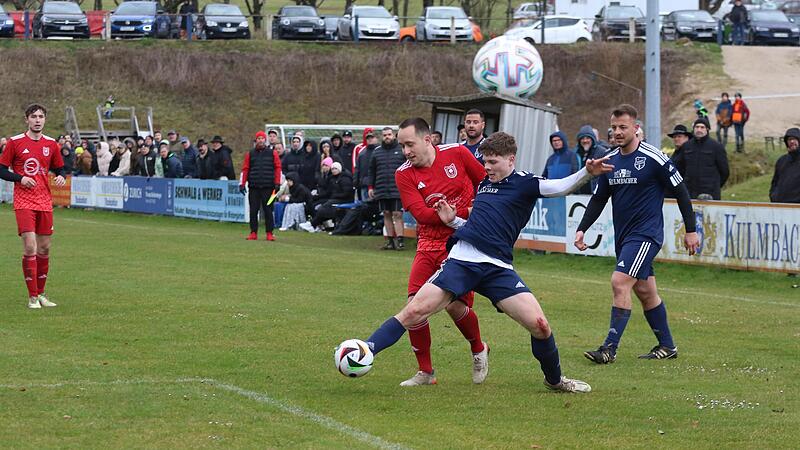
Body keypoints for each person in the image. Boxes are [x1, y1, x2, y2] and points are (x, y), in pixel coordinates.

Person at [362, 130, 613, 393]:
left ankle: (555, 381)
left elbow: (559, 186)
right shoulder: (484, 184)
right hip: (463, 260)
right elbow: (477, 224)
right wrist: (452, 221)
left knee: (540, 326)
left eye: (493, 162)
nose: (486, 167)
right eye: (484, 161)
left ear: (511, 160)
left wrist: (587, 173)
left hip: (498, 268)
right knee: (414, 310)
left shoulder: (526, 182)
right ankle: (365, 349)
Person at [575, 104, 699, 364]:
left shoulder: (654, 158)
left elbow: (681, 191)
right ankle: (667, 346)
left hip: (646, 235)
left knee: (619, 282)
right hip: (624, 237)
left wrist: (691, 230)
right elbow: (598, 199)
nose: (618, 132)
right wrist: (582, 228)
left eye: (623, 127)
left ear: (636, 128)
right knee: (645, 292)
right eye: (614, 128)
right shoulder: (610, 161)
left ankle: (609, 349)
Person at [391, 117, 489, 386]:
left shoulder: (457, 153)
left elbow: (487, 185)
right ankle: (426, 372)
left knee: (455, 306)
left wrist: (465, 214)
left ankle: (479, 348)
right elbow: (421, 214)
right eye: (402, 146)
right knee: (414, 305)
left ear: (427, 139)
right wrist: (447, 215)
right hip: (428, 243)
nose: (406, 151)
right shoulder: (403, 173)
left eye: (409, 144)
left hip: (462, 241)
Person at [0, 104, 67, 309]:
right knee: (30, 246)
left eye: (41, 117)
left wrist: (61, 176)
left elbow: (59, 168)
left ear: (45, 120)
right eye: (33, 116)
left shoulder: (51, 144)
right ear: (26, 119)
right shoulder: (15, 142)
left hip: (44, 201)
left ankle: (41, 294)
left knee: (45, 247)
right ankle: (32, 298)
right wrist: (20, 178)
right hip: (24, 201)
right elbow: (1, 170)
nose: (37, 120)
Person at [672, 117, 729, 200]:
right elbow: (680, 169)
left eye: (702, 127)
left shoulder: (716, 147)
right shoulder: (686, 147)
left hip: (710, 194)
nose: (699, 129)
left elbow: (725, 171)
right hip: (689, 192)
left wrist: (715, 186)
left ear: (707, 129)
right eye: (697, 127)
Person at [369, 128, 407, 250]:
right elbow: (372, 171)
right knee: (386, 214)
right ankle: (390, 241)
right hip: (381, 188)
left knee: (397, 214)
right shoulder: (377, 152)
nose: (387, 137)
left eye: (389, 134)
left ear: (394, 135)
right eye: (385, 135)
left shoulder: (402, 150)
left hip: (398, 188)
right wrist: (371, 187)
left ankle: (400, 240)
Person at [240, 131, 282, 241]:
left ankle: (269, 233)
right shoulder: (250, 154)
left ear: (265, 140)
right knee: (253, 210)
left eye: (262, 138)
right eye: (258, 138)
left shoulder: (273, 153)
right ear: (256, 140)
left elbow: (278, 168)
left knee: (268, 210)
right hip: (254, 187)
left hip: (269, 187)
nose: (260, 140)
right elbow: (245, 169)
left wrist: (277, 183)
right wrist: (242, 183)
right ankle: (253, 232)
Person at [769, 128, 800, 204]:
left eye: (794, 139)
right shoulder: (781, 161)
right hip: (780, 206)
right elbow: (774, 183)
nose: (792, 141)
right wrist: (774, 196)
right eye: (789, 139)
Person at [574, 125, 607, 194]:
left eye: (587, 138)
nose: (585, 140)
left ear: (592, 139)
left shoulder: (601, 152)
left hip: (595, 193)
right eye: (582, 138)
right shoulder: (575, 153)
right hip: (578, 194)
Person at [354, 132, 378, 201]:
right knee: (365, 207)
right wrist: (356, 183)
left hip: (377, 185)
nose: (370, 140)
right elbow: (357, 169)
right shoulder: (362, 154)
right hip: (364, 185)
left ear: (376, 139)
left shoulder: (380, 151)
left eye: (372, 138)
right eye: (368, 138)